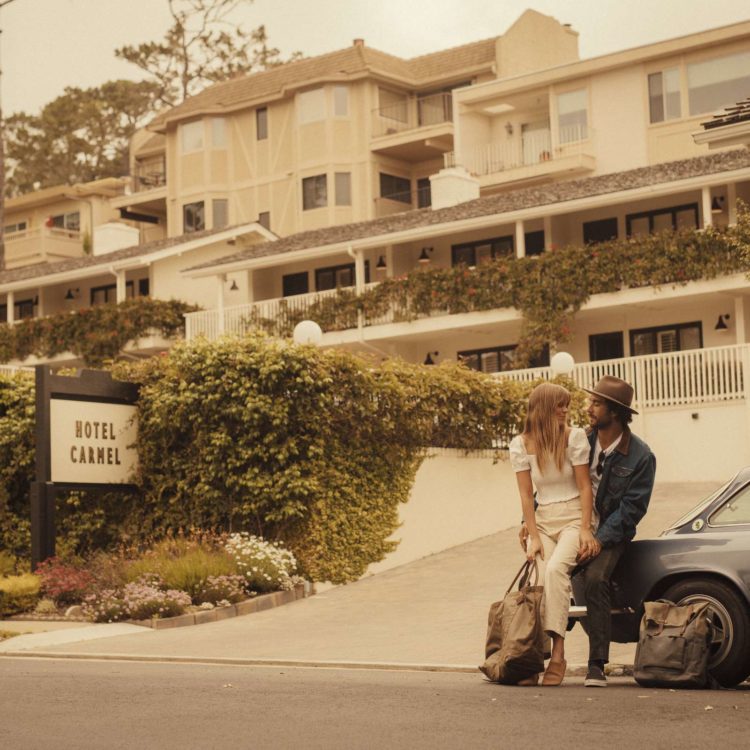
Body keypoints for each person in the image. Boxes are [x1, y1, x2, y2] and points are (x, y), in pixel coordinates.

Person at [509, 382, 597, 687]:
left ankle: (558, 654)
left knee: (558, 569)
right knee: (538, 578)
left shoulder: (575, 438)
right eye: (559, 405)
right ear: (544, 408)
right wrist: (533, 536)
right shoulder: (520, 445)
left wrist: (586, 528)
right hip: (543, 520)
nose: (565, 410)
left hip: (574, 517)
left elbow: (585, 487)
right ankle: (532, 657)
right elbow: (525, 495)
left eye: (567, 405)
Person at [576, 375, 656, 688]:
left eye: (596, 403)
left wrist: (598, 540)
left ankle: (597, 664)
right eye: (590, 402)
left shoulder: (641, 456)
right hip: (575, 524)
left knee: (596, 579)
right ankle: (536, 653)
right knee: (549, 571)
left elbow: (631, 511)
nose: (588, 408)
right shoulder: (580, 440)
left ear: (615, 412)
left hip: (610, 534)